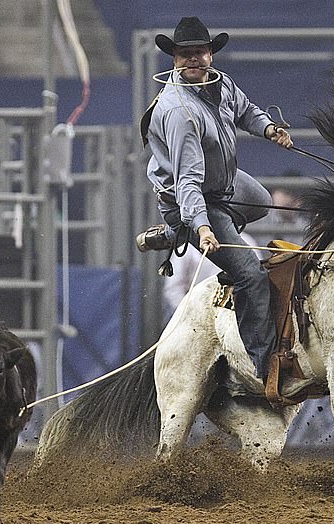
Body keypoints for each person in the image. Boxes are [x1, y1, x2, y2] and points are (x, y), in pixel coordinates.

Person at [136, 16, 292, 383]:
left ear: (210, 54)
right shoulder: (178, 112)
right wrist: (203, 227)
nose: (194, 60)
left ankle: (185, 233)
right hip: (191, 196)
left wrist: (268, 128)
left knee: (261, 201)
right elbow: (187, 181)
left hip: (222, 186)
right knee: (251, 276)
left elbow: (245, 110)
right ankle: (263, 367)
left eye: (199, 52)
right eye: (185, 54)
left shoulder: (221, 85)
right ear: (174, 59)